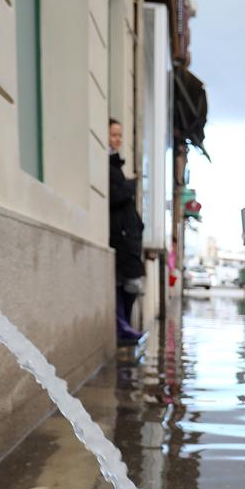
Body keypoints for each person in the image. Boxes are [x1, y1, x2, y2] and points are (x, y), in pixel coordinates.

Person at [107, 119, 144, 343]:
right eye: (113, 135)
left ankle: (125, 328)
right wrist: (130, 186)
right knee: (127, 284)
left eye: (120, 135)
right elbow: (115, 195)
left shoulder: (115, 164)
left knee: (129, 284)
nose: (118, 140)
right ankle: (123, 329)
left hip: (128, 237)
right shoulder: (108, 165)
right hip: (121, 237)